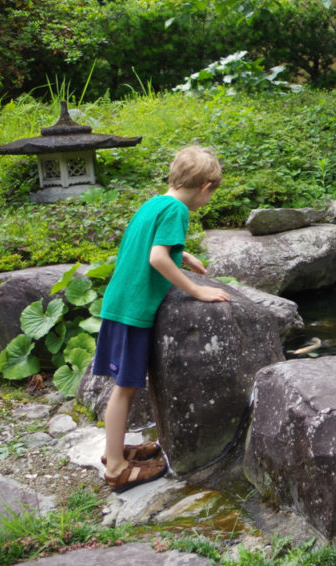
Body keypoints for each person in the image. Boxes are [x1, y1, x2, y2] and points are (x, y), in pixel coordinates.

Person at [93, 145, 231, 492]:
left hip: (119, 301)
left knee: (122, 387)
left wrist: (185, 255)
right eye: (212, 193)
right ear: (205, 186)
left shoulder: (155, 202)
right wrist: (196, 291)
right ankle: (117, 468)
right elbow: (157, 258)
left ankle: (116, 451)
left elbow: (149, 245)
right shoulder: (178, 211)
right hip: (134, 309)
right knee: (124, 389)